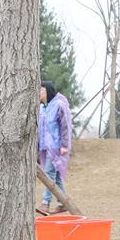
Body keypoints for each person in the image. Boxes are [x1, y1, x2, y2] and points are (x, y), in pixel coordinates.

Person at [38, 80, 72, 213]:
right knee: (56, 176)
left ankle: (45, 203)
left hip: (56, 146)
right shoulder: (42, 108)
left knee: (48, 174)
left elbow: (65, 126)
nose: (39, 92)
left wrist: (64, 144)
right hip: (46, 146)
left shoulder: (59, 105)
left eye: (41, 90)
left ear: (48, 91)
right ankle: (63, 202)